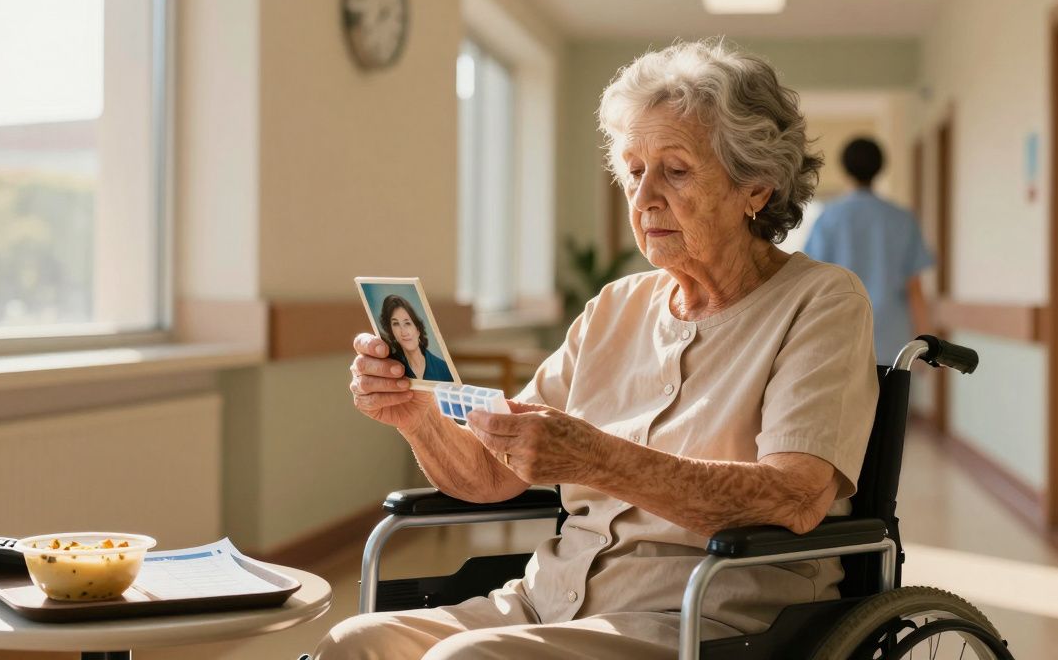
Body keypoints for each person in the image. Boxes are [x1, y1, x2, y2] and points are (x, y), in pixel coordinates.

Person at [324, 39, 878, 659]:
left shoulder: (823, 301)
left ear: (756, 187)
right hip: (548, 601)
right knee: (355, 644)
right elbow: (489, 473)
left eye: (676, 170)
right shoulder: (614, 307)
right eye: (635, 171)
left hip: (703, 619)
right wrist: (417, 418)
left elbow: (795, 497)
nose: (643, 200)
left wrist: (597, 460)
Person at [803, 137, 934, 365]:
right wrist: (927, 345)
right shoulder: (902, 220)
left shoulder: (828, 219)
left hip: (841, 336)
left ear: (845, 169)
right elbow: (915, 289)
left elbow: (813, 286)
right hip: (893, 343)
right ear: (880, 168)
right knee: (892, 400)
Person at [379, 294, 454, 382]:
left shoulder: (443, 369)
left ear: (417, 329)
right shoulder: (392, 367)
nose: (403, 332)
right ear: (392, 332)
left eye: (407, 323)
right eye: (396, 324)